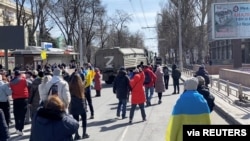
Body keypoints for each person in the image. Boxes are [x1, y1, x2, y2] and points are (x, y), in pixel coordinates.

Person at [69, 73, 89, 140]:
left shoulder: (70, 86)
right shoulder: (81, 85)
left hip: (74, 105)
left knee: (75, 120)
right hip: (81, 104)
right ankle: (84, 133)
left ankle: (77, 134)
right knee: (84, 119)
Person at [9, 70, 29, 136]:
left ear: (14, 75)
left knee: (16, 114)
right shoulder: (23, 80)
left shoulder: (11, 82)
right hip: (24, 99)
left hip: (15, 99)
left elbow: (10, 89)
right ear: (20, 74)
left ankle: (17, 127)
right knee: (23, 115)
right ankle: (20, 129)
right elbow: (29, 84)